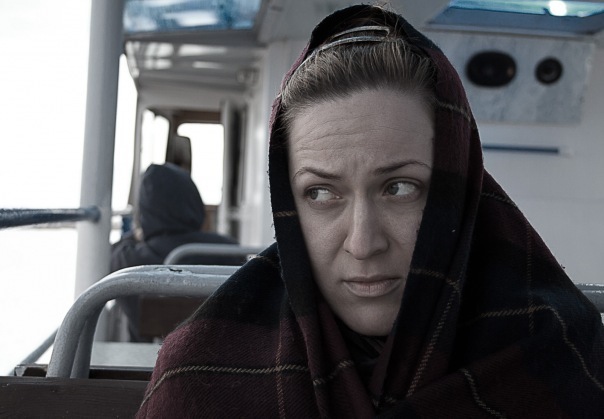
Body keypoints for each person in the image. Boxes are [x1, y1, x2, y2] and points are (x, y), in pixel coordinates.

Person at [137, 5, 604, 417]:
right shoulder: (201, 375)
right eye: (321, 193)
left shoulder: (560, 355)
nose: (363, 244)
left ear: (456, 191)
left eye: (399, 188)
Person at [111, 162, 243, 341]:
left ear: (146, 210)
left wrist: (139, 233)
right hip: (223, 352)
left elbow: (113, 253)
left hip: (152, 357)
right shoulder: (229, 250)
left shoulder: (130, 260)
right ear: (194, 202)